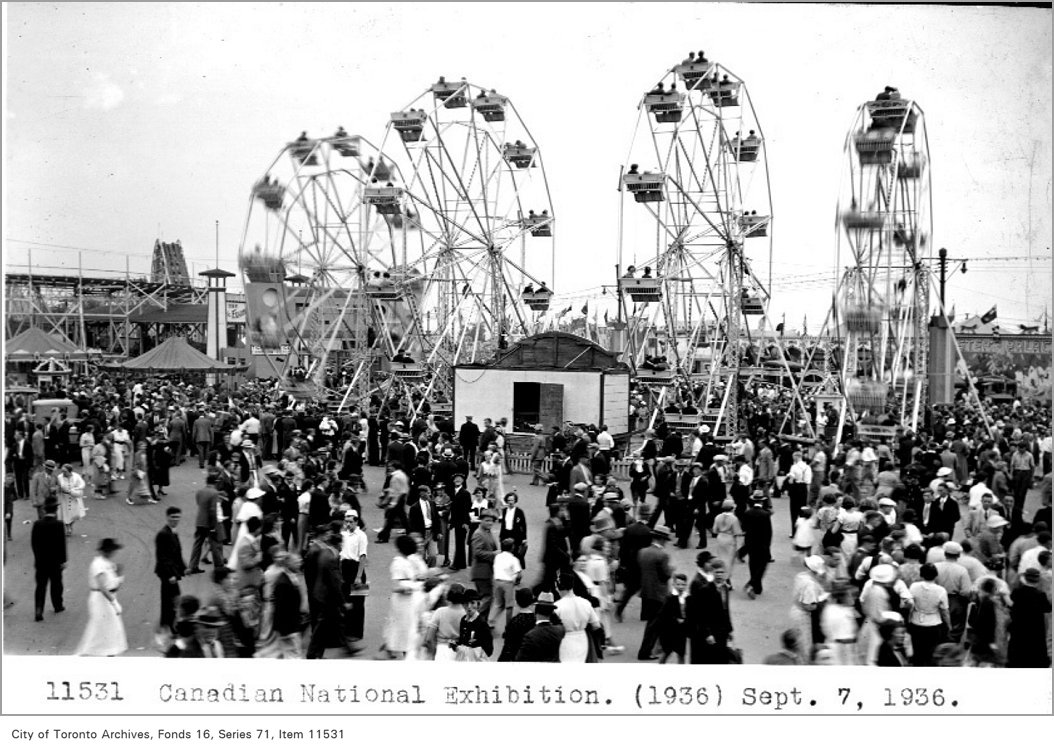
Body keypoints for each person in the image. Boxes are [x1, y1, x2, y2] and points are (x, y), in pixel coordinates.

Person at [73, 538, 128, 656]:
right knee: (100, 627)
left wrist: (120, 577)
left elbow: (114, 586)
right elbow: (102, 587)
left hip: (108, 598)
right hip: (101, 599)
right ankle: (86, 653)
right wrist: (114, 603)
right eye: (113, 550)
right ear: (107, 551)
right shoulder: (98, 564)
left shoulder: (109, 564)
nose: (114, 552)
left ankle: (108, 653)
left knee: (110, 628)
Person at [381, 534, 427, 659]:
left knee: (406, 626)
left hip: (408, 601)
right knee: (402, 626)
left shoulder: (407, 561)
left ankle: (400, 649)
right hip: (402, 601)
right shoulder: (398, 563)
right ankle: (398, 649)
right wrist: (413, 587)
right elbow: (396, 585)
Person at [687, 553, 733, 664]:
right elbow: (700, 613)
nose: (719, 575)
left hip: (722, 631)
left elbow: (726, 610)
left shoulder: (725, 589)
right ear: (712, 573)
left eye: (722, 572)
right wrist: (707, 633)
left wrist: (729, 629)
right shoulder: (705, 589)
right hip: (710, 631)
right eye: (717, 572)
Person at [636, 525, 673, 660]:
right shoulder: (663, 555)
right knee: (654, 625)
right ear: (663, 540)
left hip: (646, 591)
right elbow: (666, 575)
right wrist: (671, 570)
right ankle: (645, 652)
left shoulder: (642, 552)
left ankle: (661, 647)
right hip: (659, 593)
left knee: (655, 622)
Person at [1007, 568, 1052, 668]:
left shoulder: (1016, 592)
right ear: (1037, 580)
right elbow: (1048, 608)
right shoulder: (1040, 595)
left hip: (1018, 627)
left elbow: (1010, 605)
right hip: (1035, 629)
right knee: (1035, 651)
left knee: (1017, 649)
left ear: (1025, 578)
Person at [907, 562, 950, 666]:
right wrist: (949, 625)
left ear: (921, 574)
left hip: (916, 622)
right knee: (931, 654)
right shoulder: (941, 590)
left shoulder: (913, 587)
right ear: (936, 575)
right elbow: (945, 611)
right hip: (933, 624)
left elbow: (910, 604)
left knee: (917, 653)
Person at [31, 498, 66, 622]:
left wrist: (37, 558)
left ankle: (38, 609)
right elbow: (62, 545)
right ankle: (58, 605)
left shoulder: (37, 524)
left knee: (40, 586)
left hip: (41, 562)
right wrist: (63, 560)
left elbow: (34, 544)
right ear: (56, 510)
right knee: (56, 585)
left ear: (44, 510)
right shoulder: (59, 524)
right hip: (55, 562)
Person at [555, 571, 602, 662]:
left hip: (565, 639)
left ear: (559, 587)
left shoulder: (557, 606)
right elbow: (596, 625)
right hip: (582, 638)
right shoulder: (585, 603)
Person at [155, 506, 187, 634]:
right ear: (167, 517)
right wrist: (171, 575)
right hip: (167, 573)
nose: (175, 520)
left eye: (178, 517)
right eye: (173, 517)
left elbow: (177, 553)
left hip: (171, 571)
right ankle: (169, 625)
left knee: (171, 598)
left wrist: (184, 568)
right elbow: (162, 557)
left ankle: (167, 623)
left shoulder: (173, 531)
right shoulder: (163, 534)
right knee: (173, 599)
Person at [188, 473, 223, 574]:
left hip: (200, 521)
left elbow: (199, 503)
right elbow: (212, 510)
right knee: (215, 543)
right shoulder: (214, 493)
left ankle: (193, 565)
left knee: (197, 543)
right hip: (209, 522)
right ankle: (219, 566)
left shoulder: (199, 491)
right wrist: (213, 525)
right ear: (215, 482)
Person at [740, 491, 773, 598]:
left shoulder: (747, 513)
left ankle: (757, 587)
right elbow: (769, 532)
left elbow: (743, 528)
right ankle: (753, 583)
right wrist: (768, 546)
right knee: (762, 564)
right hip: (762, 543)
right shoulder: (765, 514)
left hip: (750, 542)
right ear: (762, 502)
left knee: (753, 564)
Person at [515, 592, 565, 662]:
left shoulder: (531, 636)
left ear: (536, 610)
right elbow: (560, 623)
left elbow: (519, 659)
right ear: (552, 612)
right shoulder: (560, 630)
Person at [470, 510, 499, 619]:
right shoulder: (478, 534)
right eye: (487, 521)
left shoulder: (487, 531)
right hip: (481, 572)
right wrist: (493, 554)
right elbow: (477, 552)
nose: (490, 523)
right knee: (487, 597)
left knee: (486, 597)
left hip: (487, 571)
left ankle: (482, 622)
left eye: (492, 521)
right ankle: (475, 619)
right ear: (481, 520)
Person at [490, 538, 523, 632]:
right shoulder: (514, 559)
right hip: (507, 583)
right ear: (512, 548)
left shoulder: (498, 557)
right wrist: (516, 579)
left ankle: (491, 620)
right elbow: (519, 574)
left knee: (499, 603)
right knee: (509, 606)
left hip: (497, 581)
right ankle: (508, 627)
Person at [453, 587, 493, 661]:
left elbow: (489, 649)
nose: (469, 607)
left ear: (478, 604)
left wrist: (475, 649)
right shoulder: (463, 620)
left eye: (472, 603)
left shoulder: (481, 623)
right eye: (466, 603)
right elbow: (462, 640)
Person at [497, 587, 537, 662]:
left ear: (517, 602)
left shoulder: (514, 621)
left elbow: (508, 646)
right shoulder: (535, 620)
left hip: (517, 657)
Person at [657, 572, 689, 663]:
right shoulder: (669, 598)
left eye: (683, 584)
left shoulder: (687, 597)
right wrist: (675, 619)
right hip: (670, 631)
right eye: (678, 584)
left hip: (681, 631)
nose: (681, 587)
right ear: (674, 584)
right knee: (666, 653)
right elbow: (664, 614)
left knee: (681, 654)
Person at [55, 462, 85, 537]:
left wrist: (75, 489)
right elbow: (58, 487)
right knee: (65, 514)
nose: (63, 472)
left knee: (75, 514)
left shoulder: (76, 476)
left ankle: (70, 525)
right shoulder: (59, 477)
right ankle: (68, 527)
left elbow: (82, 484)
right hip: (64, 498)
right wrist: (59, 489)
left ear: (69, 471)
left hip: (74, 498)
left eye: (65, 471)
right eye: (62, 471)